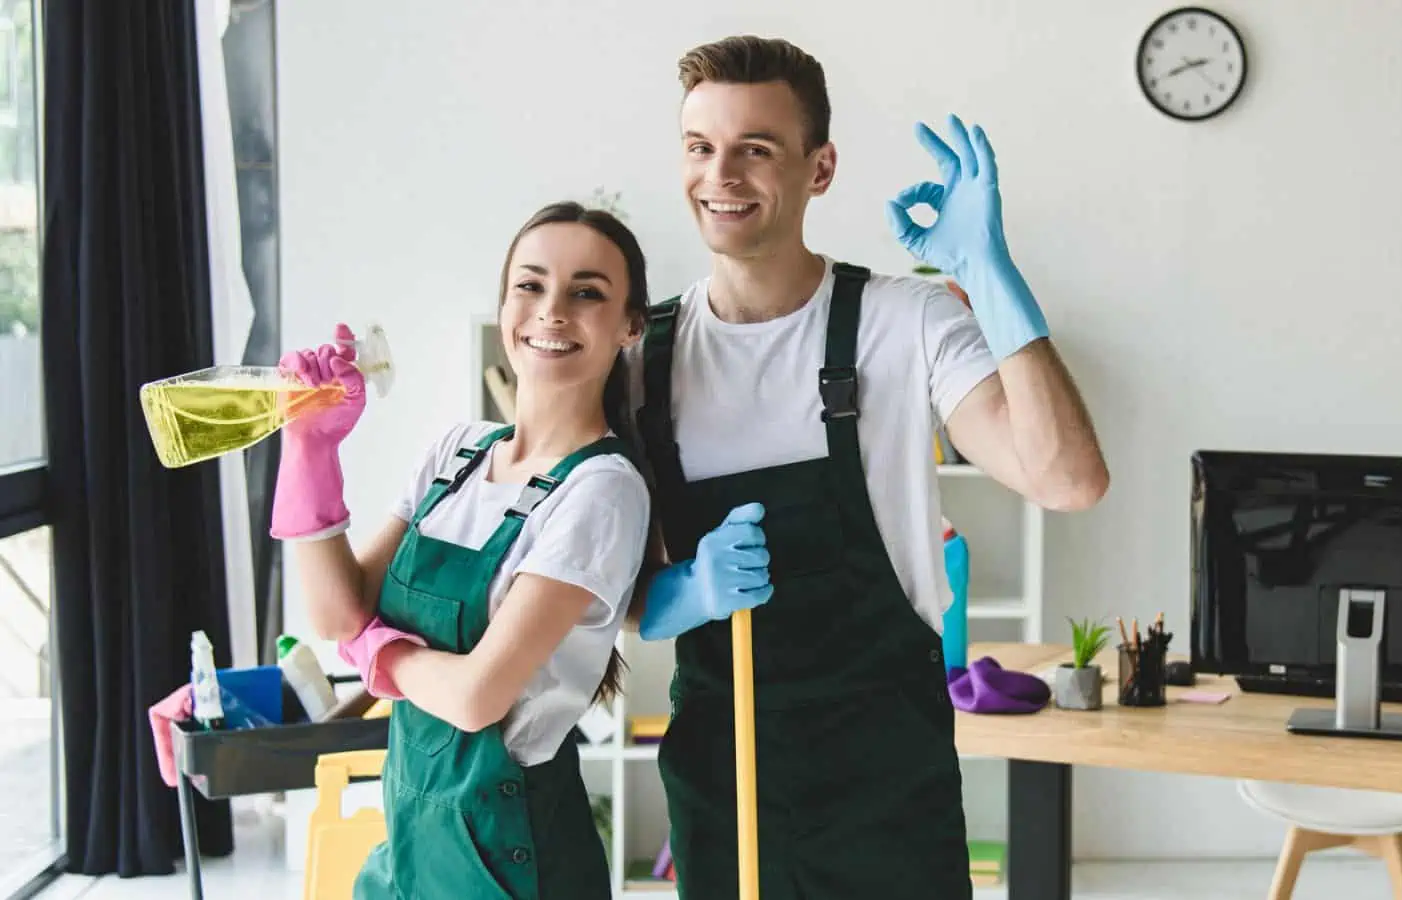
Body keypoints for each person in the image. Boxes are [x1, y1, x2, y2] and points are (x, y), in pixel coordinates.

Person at [626, 35, 1111, 899]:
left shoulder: (905, 321)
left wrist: (991, 280)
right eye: (701, 147)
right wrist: (688, 591)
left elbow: (1067, 479)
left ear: (820, 169)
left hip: (887, 785)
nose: (721, 174)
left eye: (757, 149)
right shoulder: (641, 361)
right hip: (722, 781)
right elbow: (619, 597)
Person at [270, 201, 658, 899]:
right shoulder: (457, 453)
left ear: (631, 326)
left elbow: (479, 696)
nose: (552, 310)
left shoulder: (602, 489)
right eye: (530, 285)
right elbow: (337, 614)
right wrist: (309, 451)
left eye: (587, 292)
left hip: (511, 856)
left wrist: (378, 653)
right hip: (415, 837)